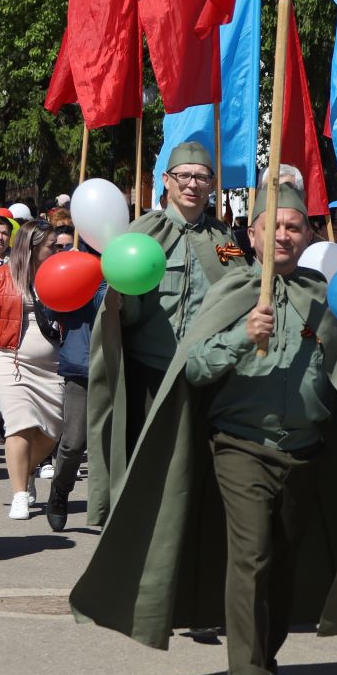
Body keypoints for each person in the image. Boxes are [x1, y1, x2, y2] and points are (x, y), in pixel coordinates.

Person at [68, 186, 337, 675]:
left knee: (282, 561)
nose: (282, 235)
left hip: (302, 446)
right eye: (271, 226)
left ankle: (265, 658)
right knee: (251, 553)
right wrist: (240, 331)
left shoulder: (230, 246)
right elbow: (194, 352)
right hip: (232, 436)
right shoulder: (157, 237)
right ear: (169, 182)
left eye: (294, 227)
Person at [85, 142, 249, 530]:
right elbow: (120, 307)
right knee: (150, 467)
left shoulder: (223, 239)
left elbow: (240, 293)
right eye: (184, 176)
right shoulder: (141, 233)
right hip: (151, 375)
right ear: (167, 181)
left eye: (202, 177)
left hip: (205, 376)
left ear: (212, 185)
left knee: (199, 469)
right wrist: (121, 301)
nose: (193, 185)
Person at [0, 224, 65, 520]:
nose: (57, 251)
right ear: (32, 248)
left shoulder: (59, 275)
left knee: (53, 431)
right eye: (52, 245)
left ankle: (28, 469)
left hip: (53, 367)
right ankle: (20, 494)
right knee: (19, 426)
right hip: (10, 362)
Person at [44, 243, 103, 534]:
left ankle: (113, 506)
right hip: (80, 365)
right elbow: (50, 305)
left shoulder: (124, 258)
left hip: (120, 365)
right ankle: (60, 491)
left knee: (113, 444)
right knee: (74, 441)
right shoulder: (72, 259)